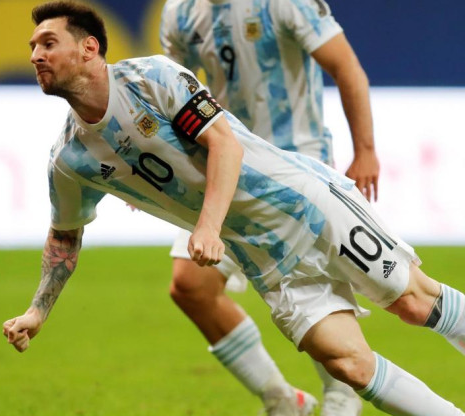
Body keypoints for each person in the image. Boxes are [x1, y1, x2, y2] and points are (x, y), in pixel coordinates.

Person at [3, 2, 465, 416]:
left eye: (47, 43)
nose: (36, 56)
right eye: (32, 48)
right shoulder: (70, 159)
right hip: (264, 256)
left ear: (89, 48)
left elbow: (224, 143)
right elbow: (64, 238)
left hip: (306, 204)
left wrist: (208, 225)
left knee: (415, 303)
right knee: (347, 364)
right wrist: (37, 311)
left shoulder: (151, 78)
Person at [158, 0, 377, 414]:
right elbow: (171, 95)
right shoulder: (180, 12)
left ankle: (341, 396)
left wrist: (365, 150)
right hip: (226, 165)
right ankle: (282, 399)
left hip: (295, 162)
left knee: (311, 287)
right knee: (191, 286)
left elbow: (346, 66)